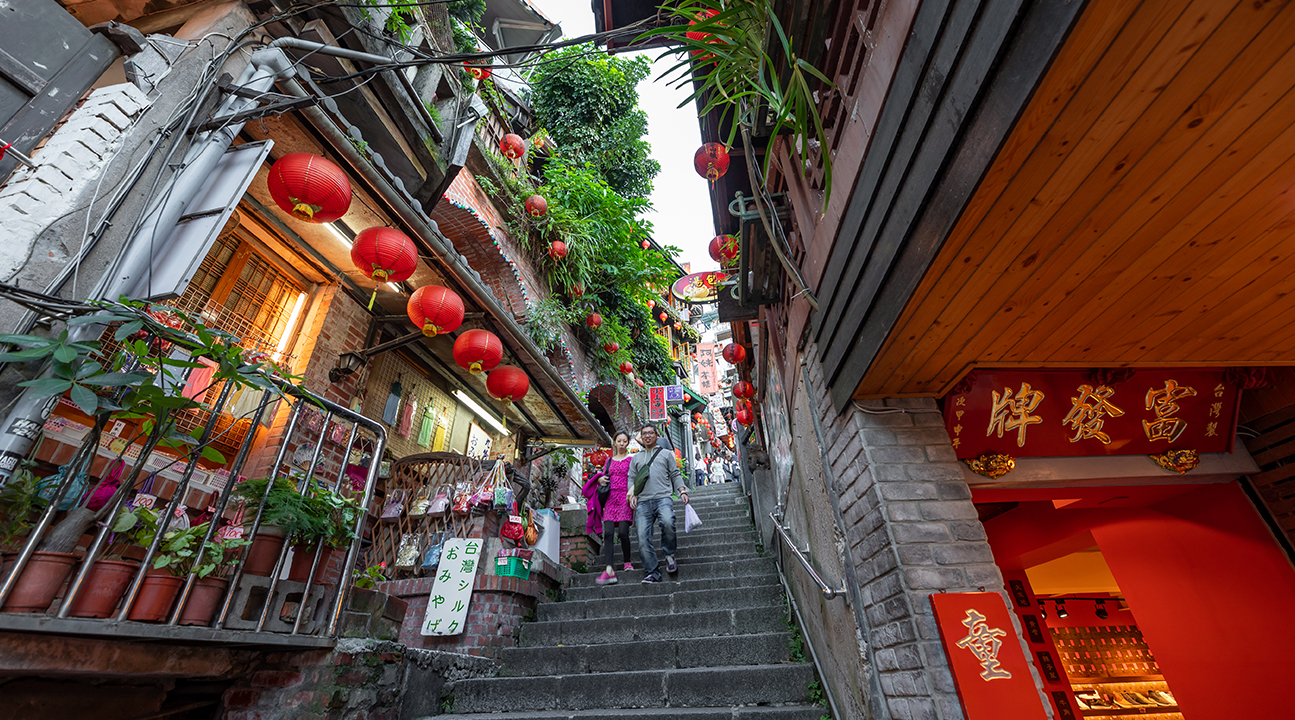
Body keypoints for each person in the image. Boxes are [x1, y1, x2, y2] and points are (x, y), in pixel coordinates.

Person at [627, 423, 689, 583]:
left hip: (663, 498)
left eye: (650, 433)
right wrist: (631, 494)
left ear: (656, 436)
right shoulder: (636, 458)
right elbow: (631, 478)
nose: (647, 436)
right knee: (642, 537)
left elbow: (675, 474)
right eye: (644, 433)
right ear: (641, 437)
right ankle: (652, 571)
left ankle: (669, 554)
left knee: (668, 522)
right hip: (643, 502)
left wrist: (681, 490)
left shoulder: (666, 455)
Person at [583, 431, 634, 586]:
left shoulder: (631, 460)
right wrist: (600, 479)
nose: (622, 443)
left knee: (623, 532)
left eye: (625, 441)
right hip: (611, 499)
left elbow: (635, 477)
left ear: (628, 443)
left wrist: (633, 494)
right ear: (615, 442)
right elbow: (604, 477)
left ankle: (627, 561)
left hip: (625, 498)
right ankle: (609, 568)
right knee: (609, 533)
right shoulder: (609, 461)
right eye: (619, 441)